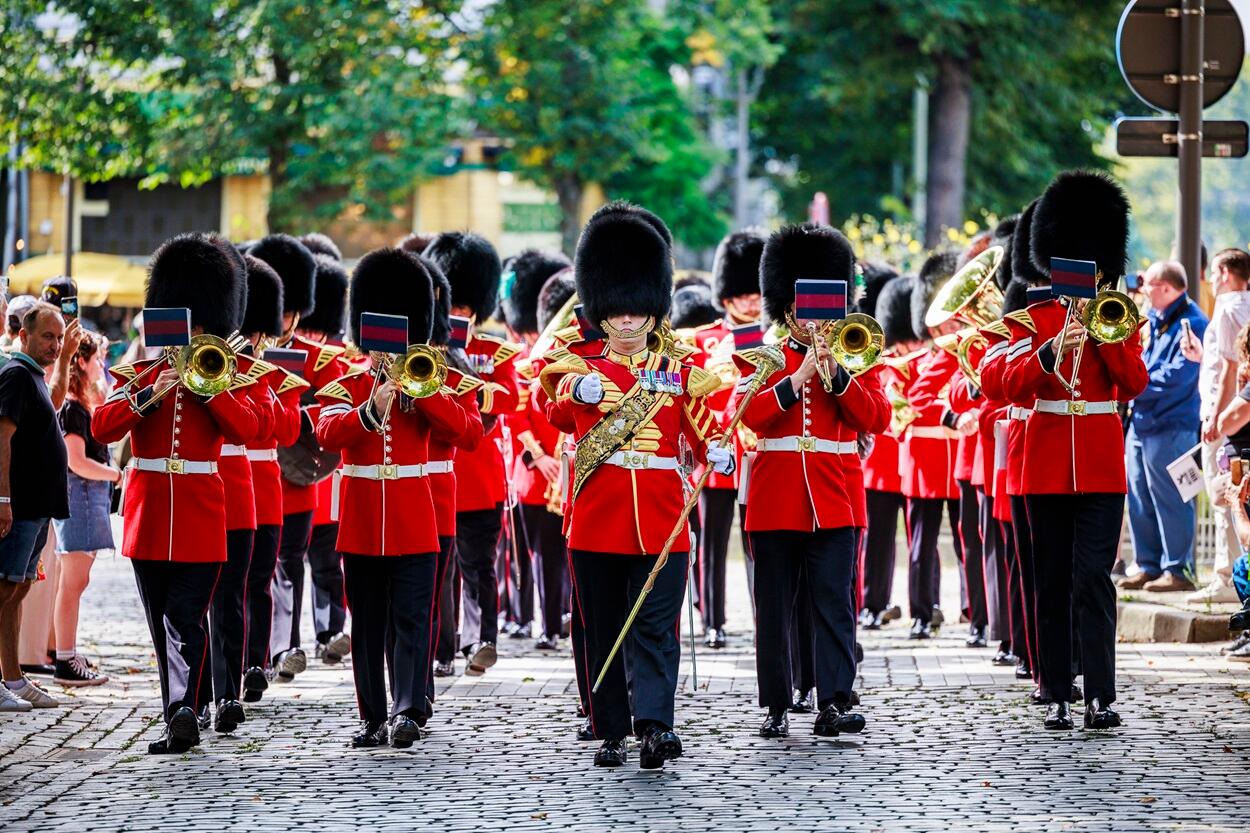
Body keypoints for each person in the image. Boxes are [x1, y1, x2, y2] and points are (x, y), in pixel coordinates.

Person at [541, 204, 731, 769]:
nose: (626, 323)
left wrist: (717, 448)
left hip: (660, 517)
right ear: (600, 310)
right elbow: (552, 407)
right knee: (603, 628)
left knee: (654, 627)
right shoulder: (575, 363)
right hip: (597, 515)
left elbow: (701, 424)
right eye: (616, 313)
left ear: (653, 311)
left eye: (637, 313)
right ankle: (611, 729)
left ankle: (655, 726)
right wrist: (578, 394)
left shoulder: (678, 367)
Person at [93, 232, 260, 753]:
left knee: (184, 618)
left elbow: (248, 429)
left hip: (201, 515)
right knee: (160, 623)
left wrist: (208, 389)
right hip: (148, 516)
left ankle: (184, 709)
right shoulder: (140, 373)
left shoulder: (221, 378)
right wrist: (151, 391)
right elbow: (101, 425)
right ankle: (183, 707)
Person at [1001, 171, 1148, 731]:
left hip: (1101, 467)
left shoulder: (1119, 318)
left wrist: (1102, 337)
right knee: (1052, 579)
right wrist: (1052, 348)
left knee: (1093, 578)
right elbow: (1007, 382)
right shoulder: (1031, 317)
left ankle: (1101, 695)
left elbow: (1133, 382)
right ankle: (1057, 690)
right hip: (1043, 467)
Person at [735, 223, 889, 741]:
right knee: (774, 607)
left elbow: (875, 418)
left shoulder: (855, 352)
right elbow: (749, 416)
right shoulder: (764, 358)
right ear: (787, 308)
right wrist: (796, 379)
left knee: (834, 602)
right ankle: (776, 704)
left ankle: (835, 701)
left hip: (835, 497)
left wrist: (837, 376)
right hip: (777, 499)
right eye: (803, 308)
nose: (814, 320)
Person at [314, 247, 472, 749]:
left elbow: (467, 431)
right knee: (368, 626)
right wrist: (370, 407)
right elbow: (326, 431)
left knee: (412, 620)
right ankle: (373, 716)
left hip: (413, 520)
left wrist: (422, 392)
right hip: (361, 522)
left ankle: (408, 710)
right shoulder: (347, 384)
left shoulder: (429, 380)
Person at [248, 233, 346, 686]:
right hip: (251, 474)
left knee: (289, 566)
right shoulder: (239, 356)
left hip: (297, 479)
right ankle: (259, 651)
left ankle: (285, 647)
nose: (284, 319)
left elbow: (334, 404)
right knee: (253, 572)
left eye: (289, 310)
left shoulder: (317, 359)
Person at [424, 232, 520, 676]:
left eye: (465, 306)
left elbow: (509, 399)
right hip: (438, 472)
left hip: (479, 475)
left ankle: (480, 640)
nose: (459, 312)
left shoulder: (492, 350)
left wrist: (470, 387)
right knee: (440, 569)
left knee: (479, 564)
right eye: (452, 305)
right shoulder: (424, 352)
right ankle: (442, 649)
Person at [688, 229, 765, 649]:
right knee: (713, 542)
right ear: (726, 295)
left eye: (755, 294)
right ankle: (712, 619)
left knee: (758, 540)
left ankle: (762, 616)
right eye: (742, 295)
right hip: (718, 451)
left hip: (758, 452)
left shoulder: (772, 338)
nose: (751, 302)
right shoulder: (703, 340)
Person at [500, 249, 573, 649]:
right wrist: (538, 456)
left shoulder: (576, 366)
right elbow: (515, 415)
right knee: (541, 555)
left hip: (571, 470)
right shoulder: (527, 366)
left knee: (570, 553)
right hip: (536, 475)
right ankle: (546, 624)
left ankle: (564, 614)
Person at [1119, 261, 1207, 592]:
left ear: (1168, 288)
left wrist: (1133, 384)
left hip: (1171, 425)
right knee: (1140, 497)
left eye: (1149, 284)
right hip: (1144, 423)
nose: (1142, 289)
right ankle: (1149, 565)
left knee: (1173, 498)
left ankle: (1178, 570)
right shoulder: (1157, 319)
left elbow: (1178, 376)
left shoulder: (1193, 322)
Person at [0, 302, 69, 713]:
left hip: (37, 508)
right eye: (48, 336)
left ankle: (14, 678)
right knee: (4, 590)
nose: (55, 345)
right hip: (19, 506)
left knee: (18, 590)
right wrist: (3, 499)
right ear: (24, 336)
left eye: (59, 337)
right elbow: (2, 439)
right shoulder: (15, 376)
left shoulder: (34, 376)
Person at [52, 330, 119, 686]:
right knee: (73, 581)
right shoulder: (73, 409)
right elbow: (76, 461)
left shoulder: (82, 404)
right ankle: (64, 658)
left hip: (88, 494)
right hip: (79, 493)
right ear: (81, 361)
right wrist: (115, 473)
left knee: (76, 580)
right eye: (98, 360)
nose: (102, 366)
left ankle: (65, 652)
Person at [1183, 248, 1250, 604]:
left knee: (1225, 496)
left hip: (1226, 416)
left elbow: (1228, 367)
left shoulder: (1226, 308)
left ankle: (1226, 576)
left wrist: (1214, 418)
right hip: (1241, 412)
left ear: (1224, 271)